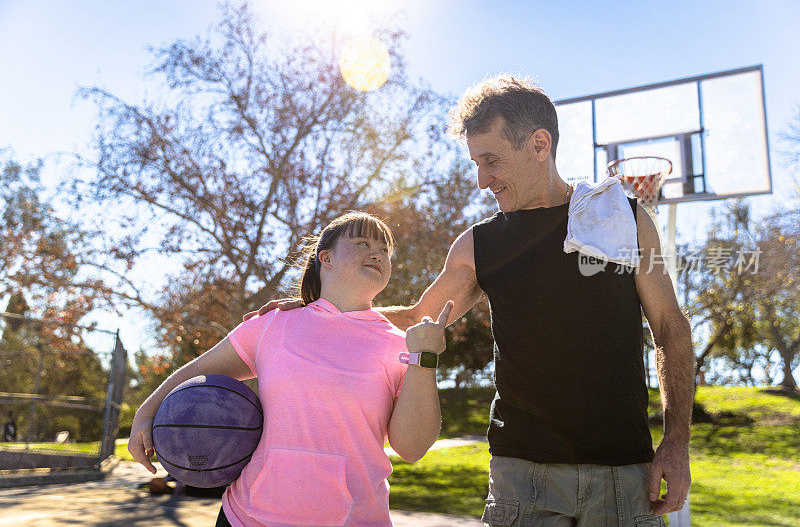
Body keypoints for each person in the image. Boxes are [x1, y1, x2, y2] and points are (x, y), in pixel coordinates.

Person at [250, 76, 694, 526]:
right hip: (522, 475)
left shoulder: (624, 219)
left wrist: (676, 441)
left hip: (623, 474)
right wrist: (318, 312)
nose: (482, 180)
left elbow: (670, 328)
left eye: (491, 161)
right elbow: (416, 318)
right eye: (476, 163)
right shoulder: (478, 245)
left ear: (540, 144)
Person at [129, 212, 454, 527]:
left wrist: (425, 358)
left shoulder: (402, 345)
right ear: (326, 258)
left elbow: (411, 449)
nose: (378, 253)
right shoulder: (272, 324)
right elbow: (198, 370)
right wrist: (145, 413)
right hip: (247, 517)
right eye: (363, 243)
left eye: (385, 250)